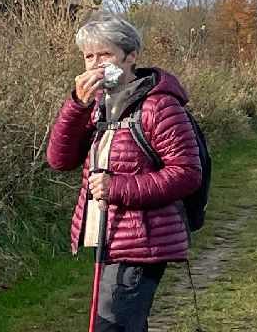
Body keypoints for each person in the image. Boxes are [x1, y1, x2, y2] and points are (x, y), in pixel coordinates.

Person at [44, 18, 203, 331]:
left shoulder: (159, 107)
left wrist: (118, 187)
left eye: (105, 55)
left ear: (131, 56)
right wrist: (76, 105)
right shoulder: (97, 105)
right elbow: (59, 160)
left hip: (145, 240)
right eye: (89, 56)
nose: (95, 64)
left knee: (112, 325)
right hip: (109, 235)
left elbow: (187, 173)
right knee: (123, 324)